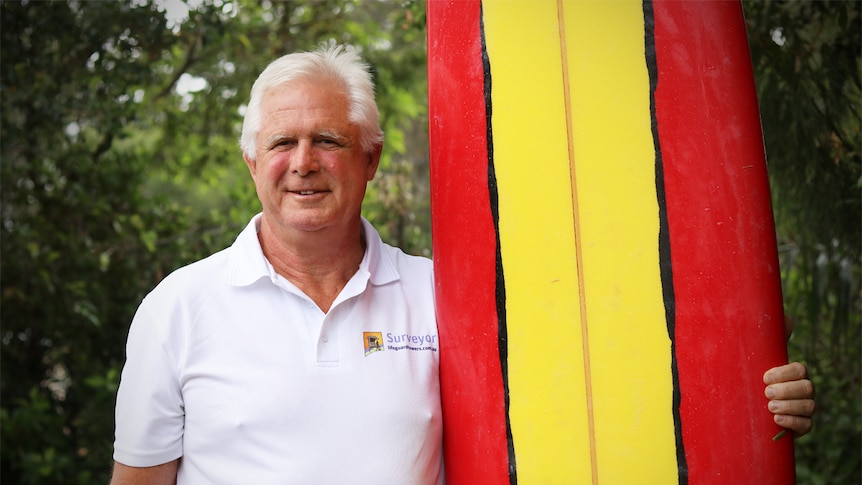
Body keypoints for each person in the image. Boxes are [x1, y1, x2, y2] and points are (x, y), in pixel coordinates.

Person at [110, 44, 814, 484]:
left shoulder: (444, 295)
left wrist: (749, 398)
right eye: (281, 142)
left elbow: (590, 375)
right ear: (251, 161)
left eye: (328, 138)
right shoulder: (179, 306)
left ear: (372, 158)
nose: (303, 163)